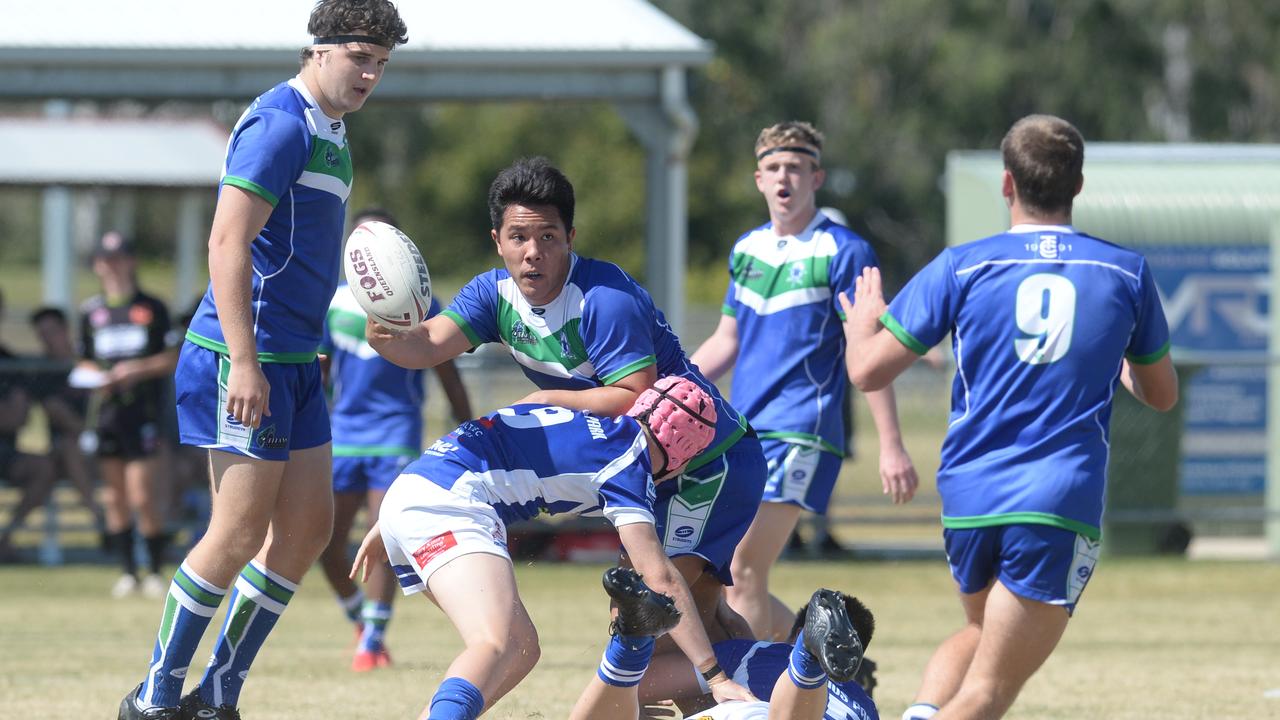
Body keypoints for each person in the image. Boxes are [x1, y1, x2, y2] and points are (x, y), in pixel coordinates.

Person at [117, 3, 408, 719]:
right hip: (240, 356)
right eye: (359, 57)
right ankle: (154, 700)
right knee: (238, 531)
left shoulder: (333, 132)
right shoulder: (282, 124)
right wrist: (244, 363)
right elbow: (226, 244)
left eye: (381, 62)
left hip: (295, 359)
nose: (370, 73)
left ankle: (217, 694)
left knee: (306, 531)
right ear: (319, 50)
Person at [840, 114, 1179, 720]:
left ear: (1006, 184)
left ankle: (919, 711)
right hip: (1055, 499)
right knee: (989, 693)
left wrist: (860, 324)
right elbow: (1162, 395)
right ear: (1077, 185)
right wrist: (1117, 359)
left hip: (970, 496)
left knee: (979, 633)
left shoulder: (962, 266)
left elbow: (867, 371)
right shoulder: (1124, 272)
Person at [368, 157, 768, 632]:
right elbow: (430, 344)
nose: (533, 252)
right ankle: (762, 697)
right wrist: (385, 335)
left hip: (706, 459)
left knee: (656, 624)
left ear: (570, 238)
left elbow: (632, 398)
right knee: (690, 620)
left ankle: (764, 688)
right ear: (497, 241)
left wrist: (547, 401)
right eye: (518, 237)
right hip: (647, 462)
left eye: (548, 237)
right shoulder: (493, 295)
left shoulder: (604, 298)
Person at [349, 377, 756, 719]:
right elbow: (659, 576)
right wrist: (716, 677)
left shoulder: (584, 420)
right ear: (681, 462)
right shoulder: (628, 465)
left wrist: (394, 513)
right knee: (497, 642)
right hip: (446, 504)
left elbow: (490, 435)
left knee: (520, 648)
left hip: (418, 487)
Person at [689, 121, 918, 639]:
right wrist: (670, 389)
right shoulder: (747, 249)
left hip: (803, 429)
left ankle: (753, 704)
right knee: (723, 580)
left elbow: (870, 351)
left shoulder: (844, 250)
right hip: (745, 430)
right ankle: (831, 671)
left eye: (795, 167)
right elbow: (728, 339)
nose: (783, 177)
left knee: (743, 571)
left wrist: (893, 444)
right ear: (758, 180)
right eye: (773, 168)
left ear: (817, 177)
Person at [316, 207, 473, 672]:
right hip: (342, 434)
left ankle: (374, 641)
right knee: (325, 544)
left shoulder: (420, 302)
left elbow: (447, 369)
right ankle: (362, 625)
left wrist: (468, 426)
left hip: (395, 431)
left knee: (381, 535)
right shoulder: (333, 302)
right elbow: (321, 372)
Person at [569, 568, 875, 720]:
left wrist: (633, 708)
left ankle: (631, 641)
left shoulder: (758, 653)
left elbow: (647, 682)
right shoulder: (866, 707)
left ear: (790, 636)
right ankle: (808, 663)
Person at [78, 232, 180, 598]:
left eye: (119, 257)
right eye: (106, 258)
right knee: (114, 497)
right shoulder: (91, 311)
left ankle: (153, 569)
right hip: (107, 415)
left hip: (143, 412)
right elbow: (84, 358)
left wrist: (134, 370)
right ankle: (127, 572)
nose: (112, 264)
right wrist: (97, 376)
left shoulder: (152, 307)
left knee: (142, 495)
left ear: (132, 261)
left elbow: (170, 358)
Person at [30, 306, 106, 543]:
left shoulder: (90, 361)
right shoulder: (44, 373)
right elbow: (56, 412)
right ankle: (102, 521)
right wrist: (86, 433)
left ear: (65, 330)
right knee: (69, 448)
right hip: (67, 452)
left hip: (105, 443)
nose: (48, 339)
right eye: (42, 335)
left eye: (52, 331)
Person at [0, 290, 61, 563]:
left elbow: (17, 417)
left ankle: (5, 538)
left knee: (43, 468)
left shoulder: (9, 361)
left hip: (5, 453)